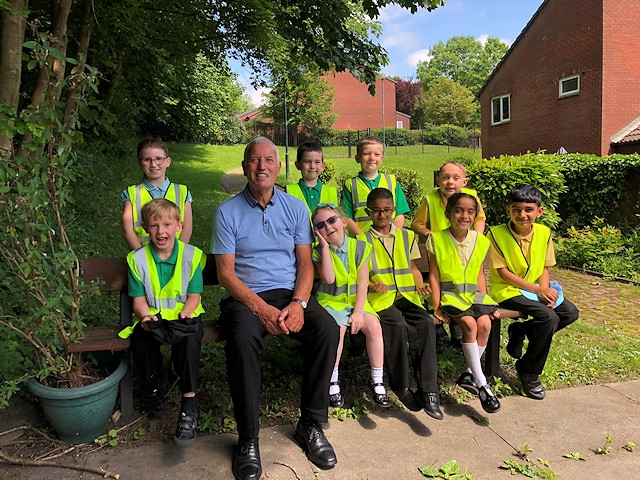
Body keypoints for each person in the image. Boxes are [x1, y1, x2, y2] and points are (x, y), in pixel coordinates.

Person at [212, 137, 340, 480]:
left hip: (290, 293)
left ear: (279, 167)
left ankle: (311, 425)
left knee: (326, 329)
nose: (262, 166)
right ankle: (248, 438)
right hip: (245, 297)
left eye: (269, 160)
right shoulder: (227, 212)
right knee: (241, 337)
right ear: (244, 168)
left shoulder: (295, 208)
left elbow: (306, 265)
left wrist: (299, 303)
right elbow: (225, 273)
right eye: (255, 160)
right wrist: (260, 310)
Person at [121, 198, 205, 447]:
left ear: (179, 226)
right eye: (155, 226)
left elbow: (194, 296)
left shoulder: (191, 256)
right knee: (141, 340)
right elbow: (138, 300)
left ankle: (188, 404)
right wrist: (145, 317)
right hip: (154, 317)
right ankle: (153, 389)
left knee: (190, 343)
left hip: (184, 317)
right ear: (146, 229)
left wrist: (187, 313)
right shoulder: (137, 259)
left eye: (167, 224)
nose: (161, 231)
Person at [487, 184, 579, 400]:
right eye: (516, 209)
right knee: (547, 318)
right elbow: (503, 272)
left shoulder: (544, 233)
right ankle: (529, 371)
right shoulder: (496, 234)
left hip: (534, 289)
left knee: (569, 313)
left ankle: (521, 331)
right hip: (507, 289)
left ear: (539, 211)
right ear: (509, 210)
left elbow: (544, 267)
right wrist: (538, 290)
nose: (522, 215)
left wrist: (544, 290)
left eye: (528, 209)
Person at [358, 187, 443, 420]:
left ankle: (429, 390)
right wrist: (373, 286)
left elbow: (414, 269)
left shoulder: (407, 235)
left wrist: (420, 285)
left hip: (407, 295)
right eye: (376, 211)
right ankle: (401, 386)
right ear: (368, 212)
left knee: (425, 322)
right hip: (380, 299)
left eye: (387, 210)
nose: (382, 215)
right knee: (395, 324)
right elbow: (359, 277)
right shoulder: (361, 240)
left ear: (394, 211)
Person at [427, 193, 501, 414]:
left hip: (474, 296)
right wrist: (436, 305)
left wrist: (486, 303)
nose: (464, 215)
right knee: (469, 325)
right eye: (459, 210)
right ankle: (482, 385)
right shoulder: (436, 239)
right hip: (450, 296)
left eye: (470, 212)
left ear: (476, 215)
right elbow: (433, 274)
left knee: (485, 324)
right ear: (448, 213)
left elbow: (479, 274)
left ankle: (469, 373)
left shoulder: (481, 240)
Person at [312, 204, 389, 409]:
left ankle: (377, 379)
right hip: (331, 302)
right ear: (316, 232)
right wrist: (324, 248)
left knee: (373, 325)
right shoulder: (318, 251)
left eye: (332, 220)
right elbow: (328, 278)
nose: (328, 227)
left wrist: (357, 312)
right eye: (320, 225)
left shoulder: (359, 246)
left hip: (356, 301)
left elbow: (363, 282)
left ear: (343, 222)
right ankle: (333, 378)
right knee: (337, 329)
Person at [412, 160, 487, 352]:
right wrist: (436, 238)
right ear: (438, 180)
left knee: (460, 291)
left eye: (455, 178)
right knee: (437, 290)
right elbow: (417, 224)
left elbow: (480, 219)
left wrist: (475, 238)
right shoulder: (430, 199)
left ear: (465, 182)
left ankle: (458, 332)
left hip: (463, 254)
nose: (450, 182)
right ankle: (439, 335)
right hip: (440, 256)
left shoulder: (472, 197)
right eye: (445, 178)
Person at [122, 137, 193, 250]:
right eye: (147, 160)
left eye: (159, 158)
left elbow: (187, 228)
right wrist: (142, 258)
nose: (153, 164)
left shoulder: (182, 192)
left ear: (168, 161)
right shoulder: (132, 193)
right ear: (139, 163)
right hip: (142, 258)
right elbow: (127, 230)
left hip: (175, 257)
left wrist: (178, 255)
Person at [342, 136, 410, 235]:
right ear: (357, 158)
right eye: (366, 154)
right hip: (362, 242)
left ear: (382, 158)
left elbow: (400, 213)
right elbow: (347, 218)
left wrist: (394, 235)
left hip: (389, 240)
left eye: (377, 154)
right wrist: (363, 238)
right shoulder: (350, 185)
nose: (372, 158)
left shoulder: (392, 182)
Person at [286, 142, 338, 216]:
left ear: (323, 166)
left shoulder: (332, 192)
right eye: (307, 162)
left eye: (317, 162)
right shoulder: (288, 192)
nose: (312, 166)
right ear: (298, 165)